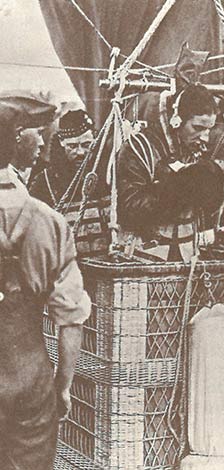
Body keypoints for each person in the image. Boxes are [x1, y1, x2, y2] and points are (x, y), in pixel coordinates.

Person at [0, 103, 90, 469]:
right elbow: (71, 319)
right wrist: (63, 386)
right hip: (30, 379)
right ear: (14, 145)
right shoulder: (49, 220)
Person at [117, 83, 224, 262]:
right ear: (177, 119)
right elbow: (129, 208)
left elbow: (206, 213)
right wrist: (177, 189)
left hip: (188, 257)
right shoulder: (139, 149)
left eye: (209, 129)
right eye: (198, 128)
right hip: (144, 258)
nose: (205, 137)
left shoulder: (193, 151)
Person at [30, 109, 96, 207]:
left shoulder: (110, 175)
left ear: (95, 139)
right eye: (72, 146)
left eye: (86, 145)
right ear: (62, 142)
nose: (80, 152)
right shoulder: (45, 182)